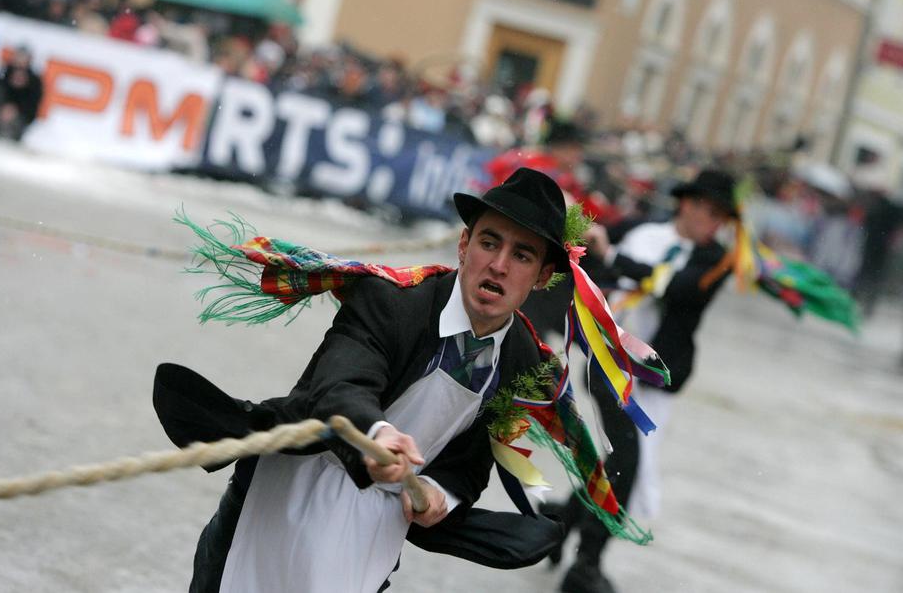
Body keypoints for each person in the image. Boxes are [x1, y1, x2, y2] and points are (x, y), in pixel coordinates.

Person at [154, 168, 578, 593]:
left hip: (376, 522)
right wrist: (375, 433)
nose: (499, 265)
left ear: (543, 276)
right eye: (489, 243)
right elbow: (339, 385)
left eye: (522, 256)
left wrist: (438, 492)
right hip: (291, 483)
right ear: (464, 244)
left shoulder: (524, 359)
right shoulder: (393, 300)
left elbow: (469, 463)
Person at [546, 168, 738, 593]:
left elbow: (678, 288)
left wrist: (613, 256)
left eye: (720, 216)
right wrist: (579, 230)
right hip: (610, 365)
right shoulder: (638, 230)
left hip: (657, 379)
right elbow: (583, 257)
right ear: (686, 203)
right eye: (707, 210)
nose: (712, 222)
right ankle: (587, 564)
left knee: (618, 464)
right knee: (627, 462)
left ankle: (559, 522)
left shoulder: (715, 260)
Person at [0, 45, 43, 142]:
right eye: (19, 56)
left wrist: (16, 110)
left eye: (23, 58)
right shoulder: (5, 72)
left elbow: (33, 105)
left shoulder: (34, 80)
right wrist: (3, 108)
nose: (20, 61)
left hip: (20, 119)